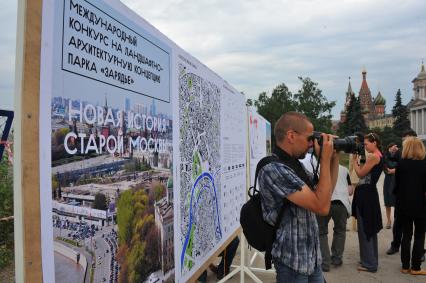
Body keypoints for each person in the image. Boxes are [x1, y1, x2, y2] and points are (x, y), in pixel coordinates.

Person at [258, 112, 339, 283]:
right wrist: (323, 160)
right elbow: (322, 207)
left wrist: (333, 158)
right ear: (291, 136)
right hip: (292, 263)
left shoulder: (296, 165)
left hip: (312, 258)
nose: (312, 144)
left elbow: (326, 193)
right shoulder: (274, 169)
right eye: (310, 138)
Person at [393, 137, 426, 275]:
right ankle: (416, 267)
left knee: (406, 235)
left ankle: (405, 266)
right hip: (421, 204)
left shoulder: (401, 164)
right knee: (419, 235)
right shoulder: (425, 164)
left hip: (403, 205)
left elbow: (396, 187)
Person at [351, 132, 383, 273]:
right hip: (370, 194)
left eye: (366, 144)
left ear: (374, 142)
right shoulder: (380, 155)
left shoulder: (373, 157)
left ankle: (369, 263)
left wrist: (354, 161)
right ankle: (370, 259)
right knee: (369, 229)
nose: (364, 146)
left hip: (365, 196)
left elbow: (360, 173)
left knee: (365, 230)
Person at [386, 129, 417, 256]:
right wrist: (389, 153)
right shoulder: (400, 153)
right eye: (403, 140)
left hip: (418, 195)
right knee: (398, 222)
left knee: (419, 226)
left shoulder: (422, 154)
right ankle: (395, 245)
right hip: (401, 195)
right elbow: (388, 162)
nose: (404, 143)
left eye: (407, 140)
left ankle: (419, 250)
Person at [317, 164, 353, 272]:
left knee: (321, 232)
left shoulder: (318, 167)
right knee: (340, 231)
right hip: (341, 204)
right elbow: (350, 191)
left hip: (324, 202)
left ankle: (325, 262)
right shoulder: (344, 169)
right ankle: (337, 259)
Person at [383, 143, 399, 229]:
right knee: (388, 202)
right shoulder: (385, 155)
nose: (395, 148)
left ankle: (397, 220)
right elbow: (386, 169)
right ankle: (389, 220)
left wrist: (395, 170)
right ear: (389, 148)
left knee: (397, 201)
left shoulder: (400, 155)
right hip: (388, 181)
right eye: (393, 147)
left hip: (397, 181)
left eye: (396, 147)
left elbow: (403, 166)